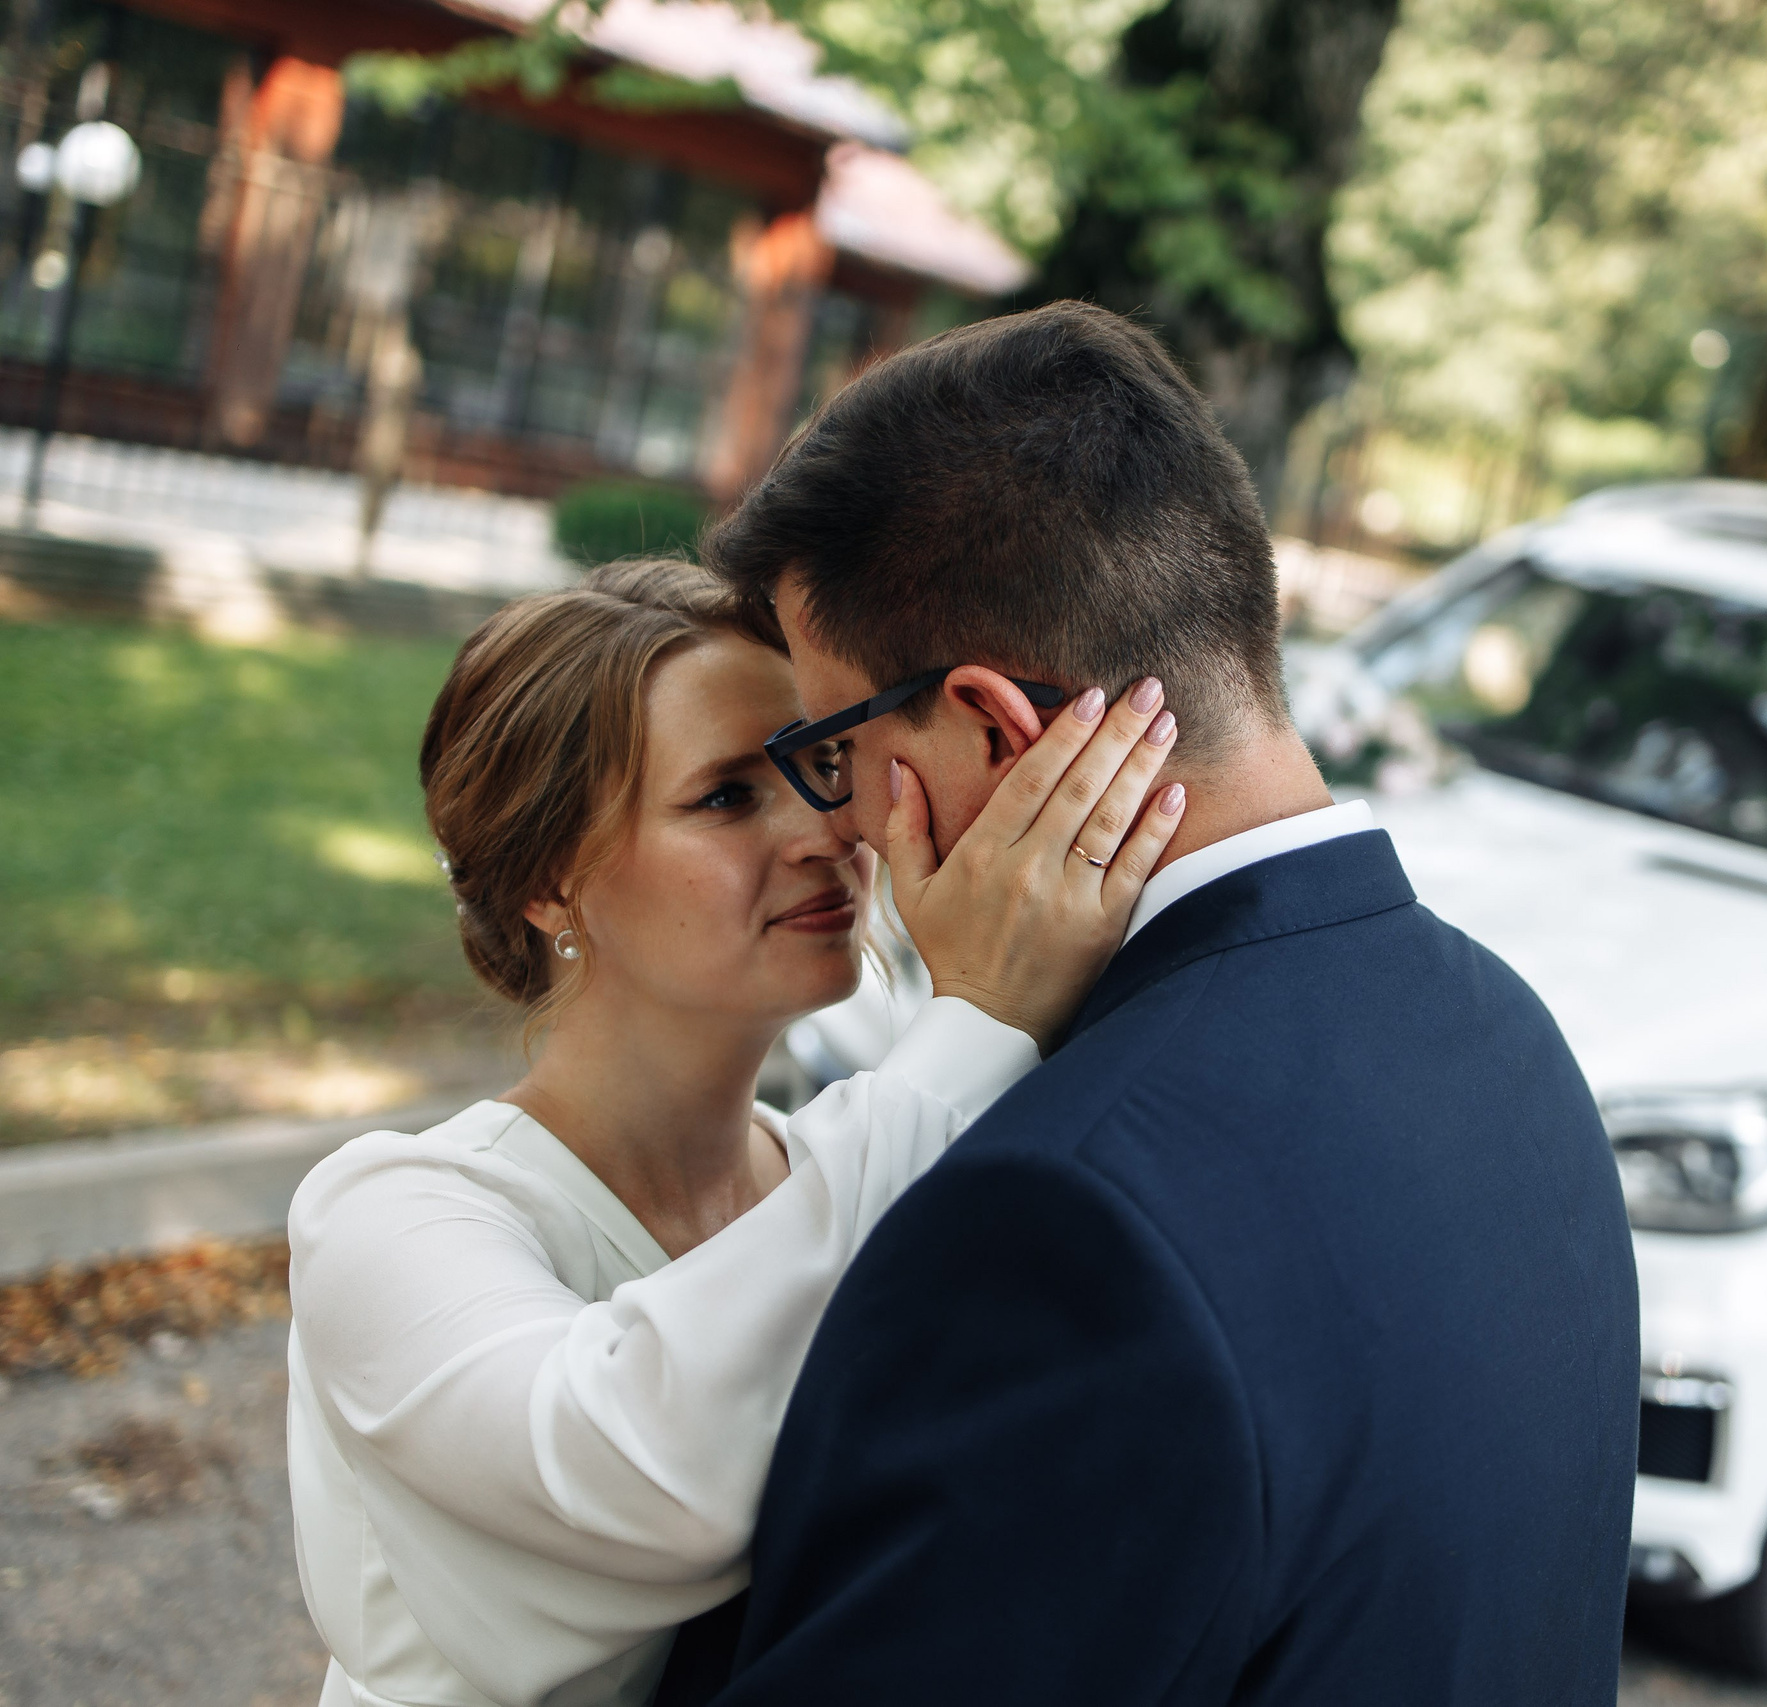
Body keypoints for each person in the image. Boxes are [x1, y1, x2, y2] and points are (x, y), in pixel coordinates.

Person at [656, 302, 1639, 1707]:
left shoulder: (1062, 1222)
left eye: (831, 748)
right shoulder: (1504, 1033)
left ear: (994, 728)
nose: (849, 826)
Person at [285, 558, 1186, 1707]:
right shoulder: (392, 1216)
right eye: (724, 797)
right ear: (550, 881)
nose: (826, 829)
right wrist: (978, 1020)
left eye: (818, 765)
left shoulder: (847, 1170)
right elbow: (627, 1480)